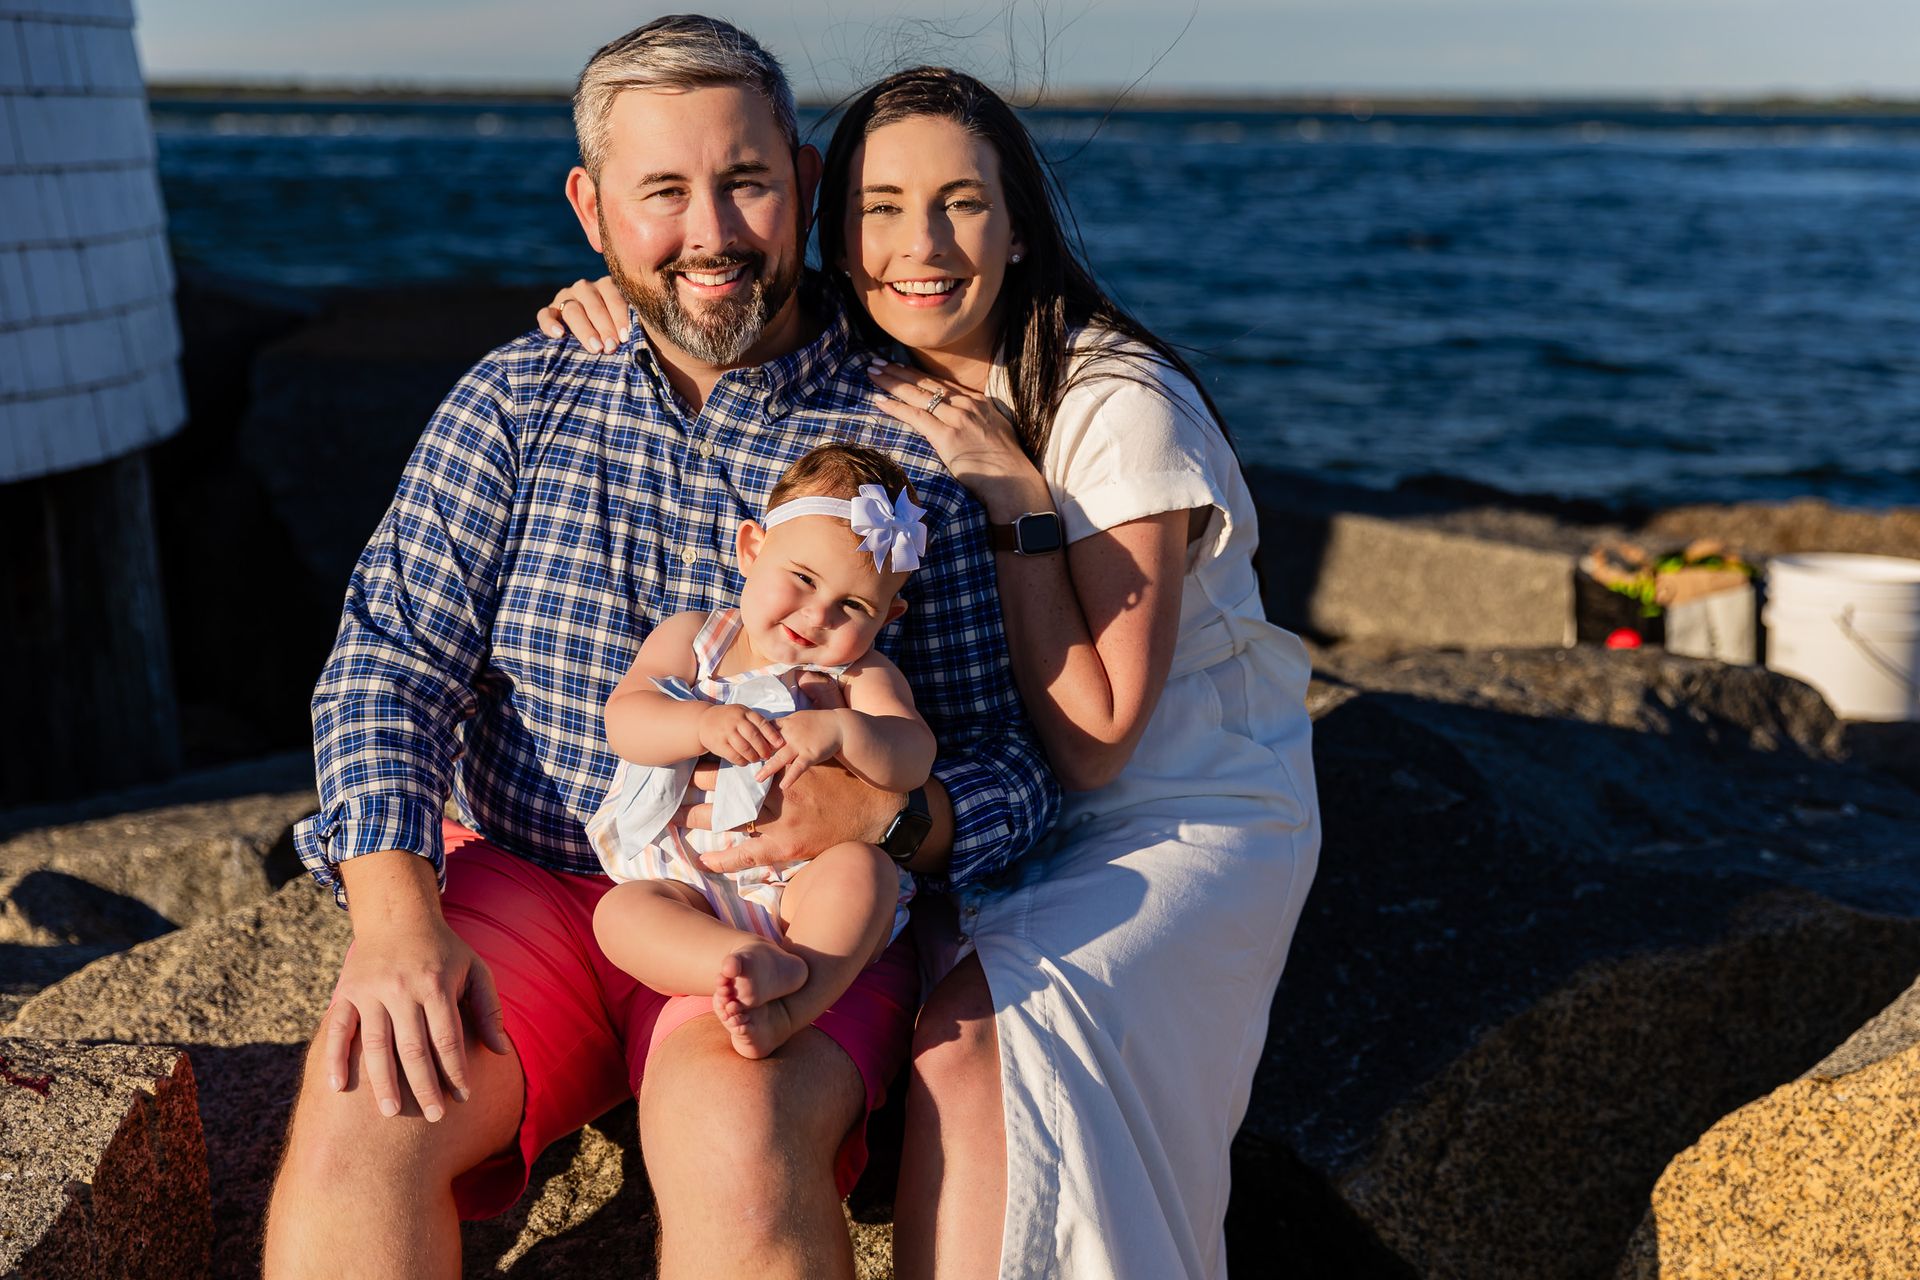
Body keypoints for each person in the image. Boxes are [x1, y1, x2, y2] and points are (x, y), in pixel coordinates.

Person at [262, 19, 1056, 1280]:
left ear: (801, 180)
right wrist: (396, 916)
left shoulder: (908, 444)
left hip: (783, 905)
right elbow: (391, 655)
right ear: (591, 208)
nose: (713, 232)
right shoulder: (519, 396)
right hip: (532, 871)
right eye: (663, 193)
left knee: (737, 1139)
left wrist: (893, 821)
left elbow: (1019, 758)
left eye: (745, 182)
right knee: (372, 1103)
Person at [543, 66, 1322, 1280]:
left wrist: (1016, 498)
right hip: (1005, 820)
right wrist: (607, 302)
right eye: (881, 207)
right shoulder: (880, 369)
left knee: (975, 1049)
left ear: (1019, 226)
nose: (921, 243)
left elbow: (1100, 735)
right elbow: (708, 311)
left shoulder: (1113, 399)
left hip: (1169, 806)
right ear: (832, 232)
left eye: (961, 203)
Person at [589, 444, 935, 1061]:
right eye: (803, 578)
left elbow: (913, 757)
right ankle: (738, 962)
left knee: (866, 874)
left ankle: (797, 1000)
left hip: (805, 885)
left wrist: (846, 732)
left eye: (854, 606)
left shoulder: (861, 677)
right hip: (688, 880)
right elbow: (626, 720)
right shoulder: (697, 641)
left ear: (889, 615)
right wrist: (698, 722)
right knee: (621, 915)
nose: (817, 613)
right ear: (752, 550)